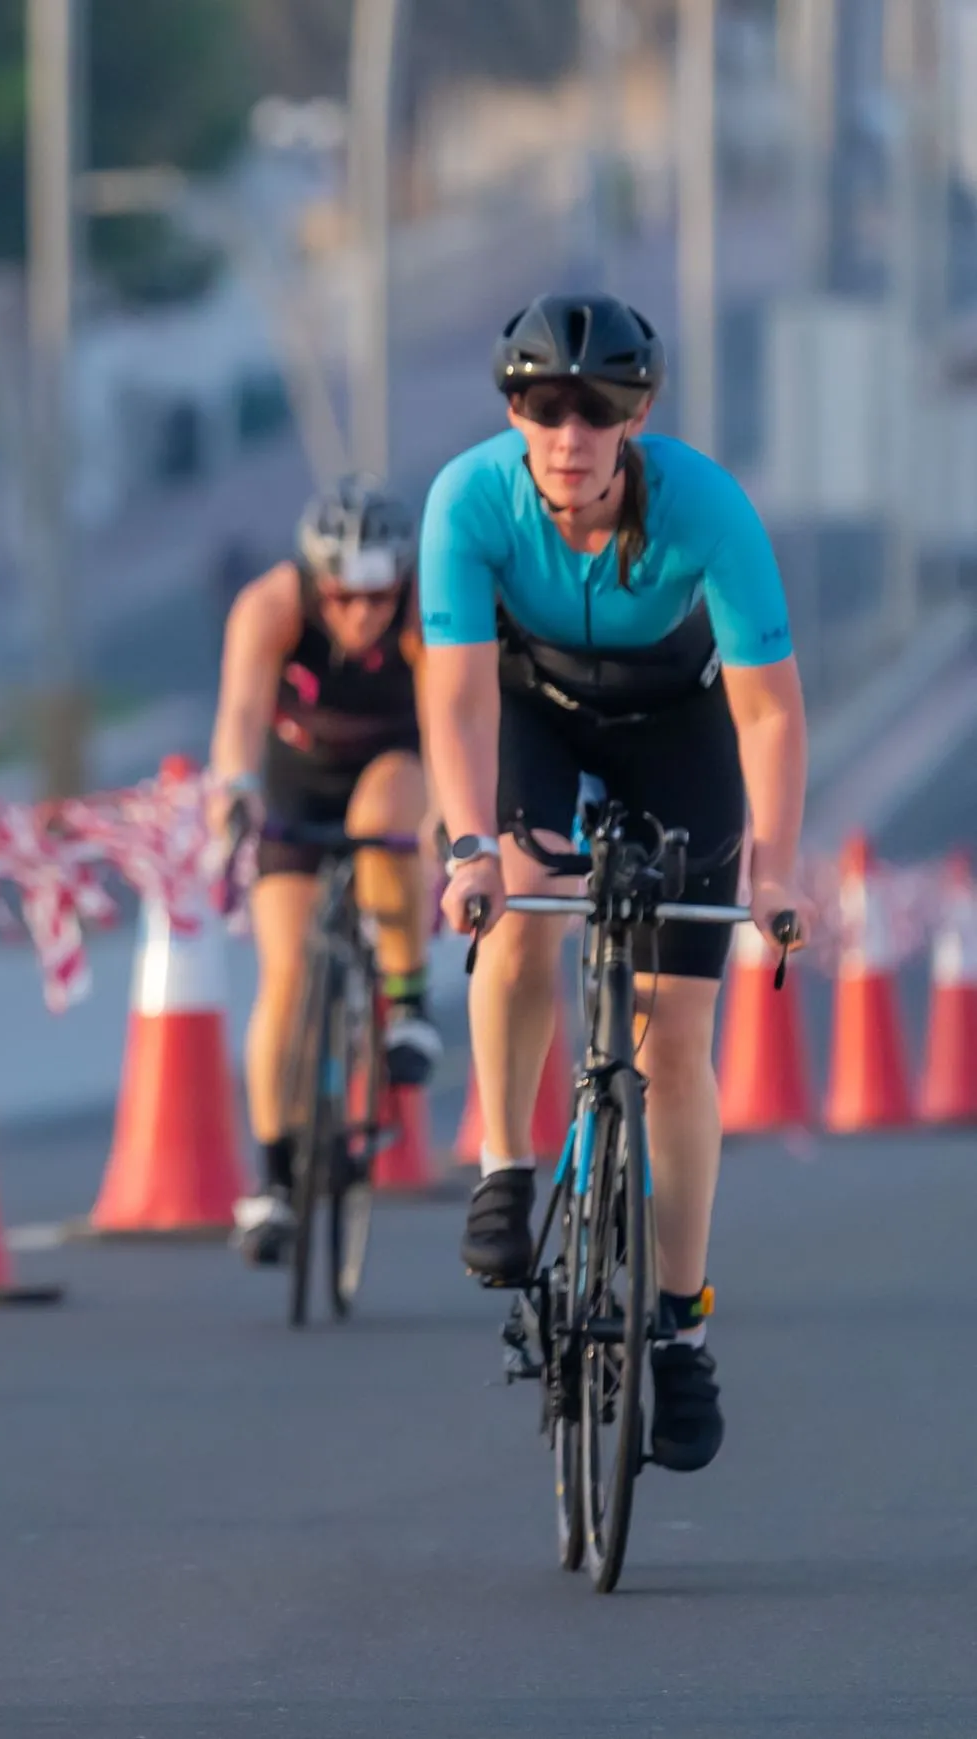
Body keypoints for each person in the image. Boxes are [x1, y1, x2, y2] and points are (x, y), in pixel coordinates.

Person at [420, 294, 812, 1472]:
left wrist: (775, 872)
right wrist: (465, 848)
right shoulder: (467, 498)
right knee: (519, 903)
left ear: (638, 415)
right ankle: (503, 1161)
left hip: (673, 726)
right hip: (531, 714)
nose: (570, 433)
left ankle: (680, 1326)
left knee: (675, 1037)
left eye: (598, 408)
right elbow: (454, 698)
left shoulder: (705, 505)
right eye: (544, 405)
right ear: (512, 411)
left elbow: (765, 710)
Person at [209, 474, 441, 1265]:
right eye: (342, 596)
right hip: (298, 781)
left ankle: (406, 999)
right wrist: (235, 790)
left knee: (382, 821)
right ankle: (274, 1178)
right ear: (315, 582)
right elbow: (240, 716)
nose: (361, 614)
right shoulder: (270, 605)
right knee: (284, 973)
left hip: (393, 764)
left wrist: (450, 815)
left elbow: (450, 713)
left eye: (378, 597)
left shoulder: (423, 611)